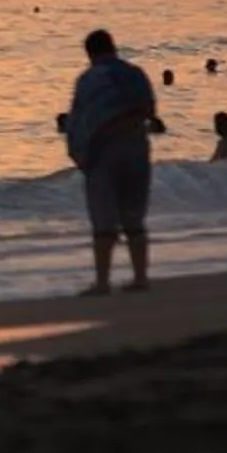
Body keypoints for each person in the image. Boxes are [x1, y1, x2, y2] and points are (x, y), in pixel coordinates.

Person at [64, 28, 156, 295]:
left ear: (90, 53)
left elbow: (79, 120)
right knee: (134, 217)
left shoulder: (89, 79)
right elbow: (149, 108)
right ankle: (141, 278)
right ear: (113, 48)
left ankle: (103, 282)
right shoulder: (135, 74)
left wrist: (79, 153)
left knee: (103, 220)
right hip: (137, 150)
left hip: (102, 153)